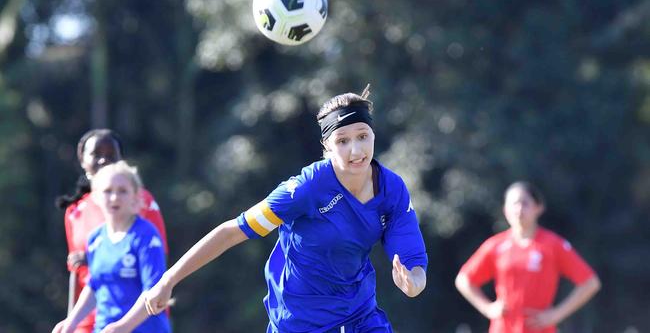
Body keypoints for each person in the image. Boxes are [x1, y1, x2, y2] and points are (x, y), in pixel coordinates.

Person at [100, 86, 428, 333]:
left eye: (362, 136)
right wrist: (168, 280)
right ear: (326, 147)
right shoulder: (306, 189)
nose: (355, 150)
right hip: (299, 320)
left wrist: (414, 282)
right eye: (342, 140)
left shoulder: (392, 189)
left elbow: (412, 261)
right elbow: (232, 231)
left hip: (359, 314)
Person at [55, 129, 169, 333]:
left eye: (122, 192)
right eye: (107, 192)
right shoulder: (96, 237)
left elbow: (155, 289)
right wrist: (70, 322)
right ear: (97, 197)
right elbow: (93, 284)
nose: (114, 198)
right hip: (101, 327)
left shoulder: (145, 235)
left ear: (137, 198)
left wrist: (123, 326)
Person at [455, 181, 601, 333]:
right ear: (505, 209)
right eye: (513, 204)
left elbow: (590, 282)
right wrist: (487, 308)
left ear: (538, 207)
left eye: (524, 203)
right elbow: (464, 279)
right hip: (503, 328)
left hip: (540, 329)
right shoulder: (496, 245)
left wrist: (556, 314)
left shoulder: (552, 245)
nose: (518, 210)